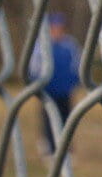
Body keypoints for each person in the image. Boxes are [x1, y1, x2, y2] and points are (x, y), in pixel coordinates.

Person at [29, 12, 80, 156]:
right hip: (48, 89)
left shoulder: (70, 44)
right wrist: (37, 83)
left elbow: (77, 64)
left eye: (60, 27)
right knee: (49, 118)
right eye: (55, 27)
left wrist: (75, 81)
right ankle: (50, 148)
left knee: (66, 118)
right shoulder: (41, 44)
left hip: (65, 89)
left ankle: (65, 148)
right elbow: (34, 66)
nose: (58, 30)